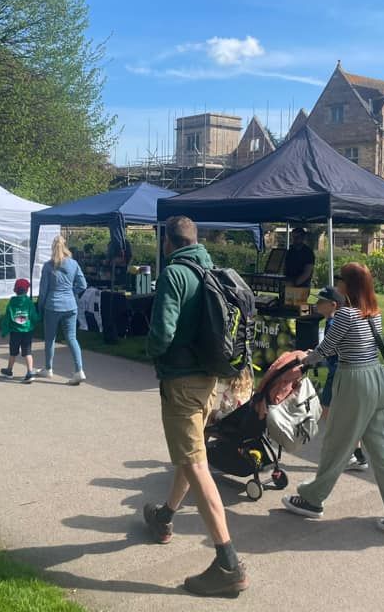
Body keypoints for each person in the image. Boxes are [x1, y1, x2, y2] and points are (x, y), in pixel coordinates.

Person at [141, 216, 248, 597]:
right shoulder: (210, 268)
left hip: (181, 381)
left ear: (168, 243)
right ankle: (164, 515)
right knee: (191, 453)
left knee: (196, 463)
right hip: (209, 378)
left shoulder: (174, 273)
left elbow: (163, 332)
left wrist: (150, 348)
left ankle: (227, 562)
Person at [281, 262, 384, 539]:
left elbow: (327, 348)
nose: (336, 283)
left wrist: (305, 361)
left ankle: (312, 499)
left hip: (354, 381)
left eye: (339, 279)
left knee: (337, 443)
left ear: (348, 284)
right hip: (376, 380)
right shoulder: (373, 313)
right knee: (382, 450)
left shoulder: (345, 314)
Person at [313, 285, 368, 472]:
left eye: (321, 301)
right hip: (345, 372)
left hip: (338, 373)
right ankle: (357, 454)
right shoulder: (339, 321)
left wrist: (311, 357)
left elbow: (329, 349)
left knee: (330, 413)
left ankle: (348, 455)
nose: (317, 304)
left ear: (333, 305)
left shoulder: (334, 323)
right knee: (345, 415)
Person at [36, 236, 87, 386]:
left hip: (52, 305)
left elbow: (43, 290)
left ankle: (48, 368)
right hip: (70, 305)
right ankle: (79, 370)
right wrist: (72, 292)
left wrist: (40, 307)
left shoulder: (48, 266)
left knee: (50, 338)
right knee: (72, 338)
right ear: (66, 247)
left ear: (53, 247)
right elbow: (83, 284)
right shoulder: (73, 263)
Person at [2, 278, 40, 380]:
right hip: (27, 330)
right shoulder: (29, 302)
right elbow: (33, 316)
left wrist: (5, 329)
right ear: (27, 290)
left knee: (13, 352)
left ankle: (9, 371)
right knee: (27, 352)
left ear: (15, 289)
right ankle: (29, 372)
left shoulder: (12, 301)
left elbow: (8, 316)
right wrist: (38, 319)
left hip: (15, 331)